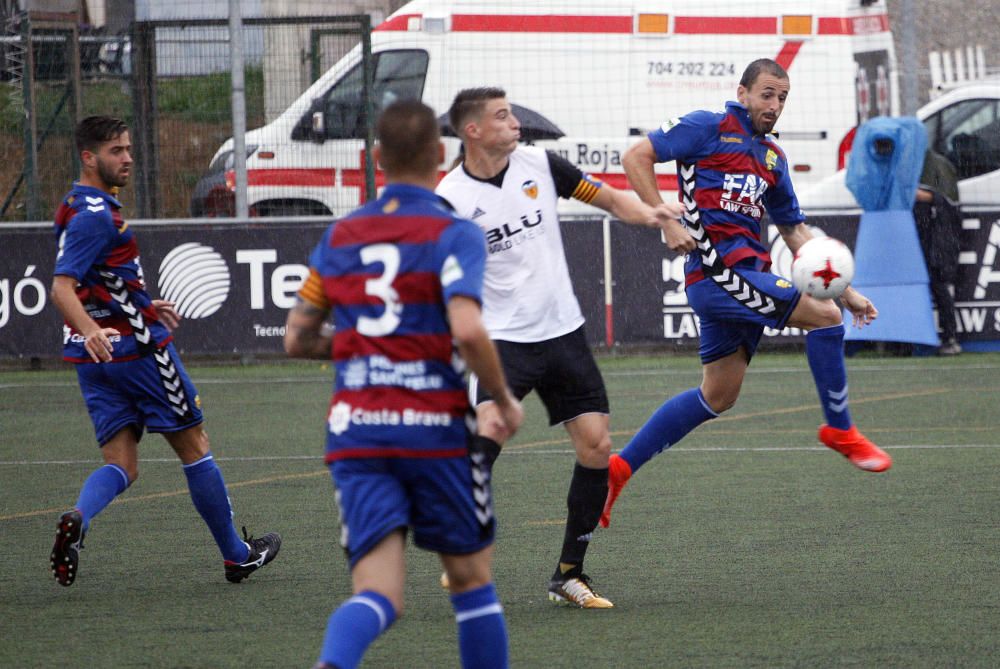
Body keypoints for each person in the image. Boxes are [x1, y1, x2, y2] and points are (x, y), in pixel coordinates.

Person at [602, 58, 893, 528]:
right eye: (767, 94)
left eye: (782, 97)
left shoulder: (772, 158)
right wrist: (664, 218)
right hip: (719, 274)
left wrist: (848, 291)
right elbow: (637, 157)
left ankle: (619, 468)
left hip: (744, 275)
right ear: (743, 93)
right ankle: (841, 430)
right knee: (823, 317)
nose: (775, 105)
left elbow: (795, 233)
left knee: (718, 396)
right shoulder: (707, 127)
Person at [284, 100, 524, 669]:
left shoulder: (341, 235)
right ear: (440, 155)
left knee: (377, 595)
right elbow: (467, 328)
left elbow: (297, 338)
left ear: (376, 160)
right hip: (435, 432)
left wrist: (365, 346)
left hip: (359, 433)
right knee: (470, 582)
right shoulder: (454, 231)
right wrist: (505, 401)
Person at [435, 87, 685, 608]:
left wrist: (655, 214)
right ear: (472, 131)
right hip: (504, 338)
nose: (514, 122)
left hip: (563, 330)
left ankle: (570, 574)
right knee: (491, 428)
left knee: (596, 445)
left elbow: (611, 200)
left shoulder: (542, 164)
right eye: (501, 117)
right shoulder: (450, 199)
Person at [49, 116, 281, 587]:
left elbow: (93, 279)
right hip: (137, 352)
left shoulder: (76, 204)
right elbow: (61, 288)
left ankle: (79, 517)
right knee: (195, 446)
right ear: (89, 157)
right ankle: (237, 555)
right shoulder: (97, 215)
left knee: (122, 463)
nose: (128, 157)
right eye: (116, 150)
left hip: (96, 361)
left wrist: (131, 304)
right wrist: (97, 325)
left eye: (129, 148)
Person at [914, 147, 962, 355]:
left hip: (937, 244)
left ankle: (949, 337)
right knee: (937, 288)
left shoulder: (931, 168)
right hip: (931, 242)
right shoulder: (937, 165)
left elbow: (933, 197)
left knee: (939, 286)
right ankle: (939, 338)